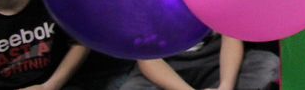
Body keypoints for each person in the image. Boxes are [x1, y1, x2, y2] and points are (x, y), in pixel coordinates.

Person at [118, 33, 278, 90]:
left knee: (267, 65)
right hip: (166, 69)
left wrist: (225, 86)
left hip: (214, 62)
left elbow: (231, 39)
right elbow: (148, 60)